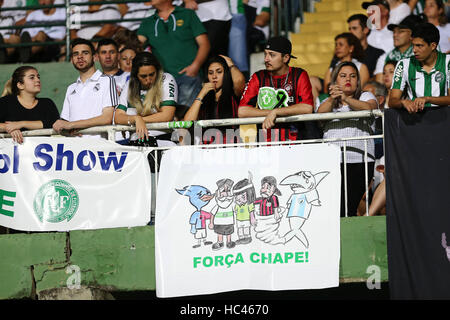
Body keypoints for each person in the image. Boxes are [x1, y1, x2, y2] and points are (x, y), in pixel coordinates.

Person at [317, 61, 378, 217]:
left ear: (358, 80)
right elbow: (319, 114)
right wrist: (333, 98)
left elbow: (369, 107)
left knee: (348, 206)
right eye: (343, 76)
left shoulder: (366, 95)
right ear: (335, 80)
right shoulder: (328, 101)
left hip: (359, 160)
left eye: (352, 76)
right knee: (335, 206)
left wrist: (346, 98)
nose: (348, 79)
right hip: (333, 160)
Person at [238, 36, 314, 141]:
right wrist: (271, 113)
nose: (266, 59)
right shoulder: (258, 77)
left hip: (296, 142)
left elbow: (307, 108)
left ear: (286, 58)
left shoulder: (299, 74)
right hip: (266, 142)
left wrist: (276, 112)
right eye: (265, 54)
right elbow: (242, 111)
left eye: (272, 55)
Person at [137, 0, 210, 107]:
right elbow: (135, 46)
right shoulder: (148, 22)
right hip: (162, 80)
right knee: (168, 119)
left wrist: (195, 67)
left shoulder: (187, 14)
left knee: (186, 118)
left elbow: (205, 44)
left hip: (188, 76)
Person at [52, 38, 118, 138]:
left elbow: (107, 118)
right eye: (75, 54)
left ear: (94, 57)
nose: (80, 57)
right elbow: (65, 122)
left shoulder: (107, 80)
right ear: (72, 60)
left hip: (99, 148)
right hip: (75, 149)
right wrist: (61, 126)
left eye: (85, 53)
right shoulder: (71, 88)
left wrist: (72, 125)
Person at [113, 51, 177, 146]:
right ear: (136, 75)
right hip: (135, 142)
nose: (148, 79)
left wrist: (139, 120)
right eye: (143, 76)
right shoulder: (129, 84)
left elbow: (167, 115)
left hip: (162, 140)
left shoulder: (166, 79)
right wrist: (136, 119)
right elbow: (118, 117)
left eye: (152, 74)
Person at [389, 22, 450, 113]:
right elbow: (392, 101)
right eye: (413, 45)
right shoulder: (404, 64)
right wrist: (402, 102)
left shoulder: (448, 62)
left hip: (444, 119)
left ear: (433, 46)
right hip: (415, 121)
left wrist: (428, 99)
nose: (414, 50)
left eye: (419, 46)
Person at [183, 55, 245, 143]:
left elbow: (239, 81)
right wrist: (201, 93)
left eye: (219, 72)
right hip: (208, 150)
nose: (214, 76)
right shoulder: (204, 98)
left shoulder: (234, 94)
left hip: (231, 149)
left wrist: (231, 64)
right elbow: (187, 123)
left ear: (226, 74)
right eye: (210, 73)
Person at [0, 66, 59, 144]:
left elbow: (54, 123)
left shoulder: (47, 103)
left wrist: (21, 124)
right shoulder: (5, 102)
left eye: (38, 77)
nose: (38, 80)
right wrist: (9, 129)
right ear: (20, 85)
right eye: (32, 77)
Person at [347, 14, 385, 78]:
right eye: (349, 29)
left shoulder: (378, 54)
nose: (351, 32)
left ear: (365, 30)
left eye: (354, 28)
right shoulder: (345, 53)